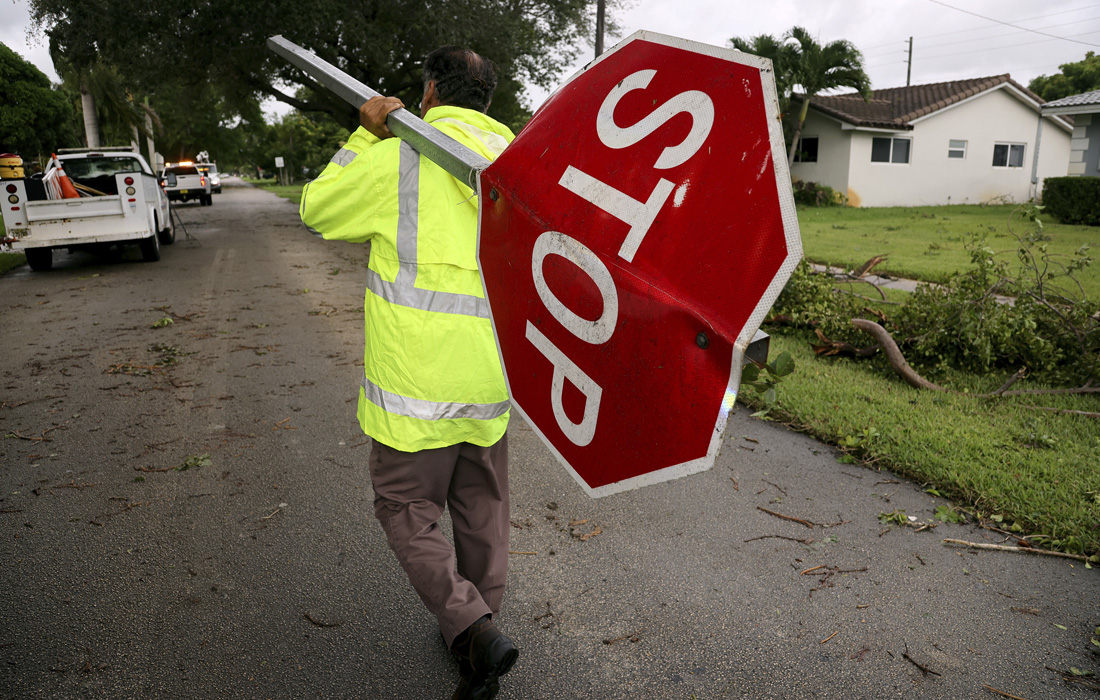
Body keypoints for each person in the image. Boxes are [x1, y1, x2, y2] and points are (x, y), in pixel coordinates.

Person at [299, 46, 518, 700]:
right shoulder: (521, 169)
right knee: (482, 511)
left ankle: (469, 624)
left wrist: (360, 135)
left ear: (428, 93)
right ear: (487, 102)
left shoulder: (396, 158)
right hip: (489, 385)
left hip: (411, 391)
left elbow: (318, 208)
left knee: (406, 508)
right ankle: (479, 630)